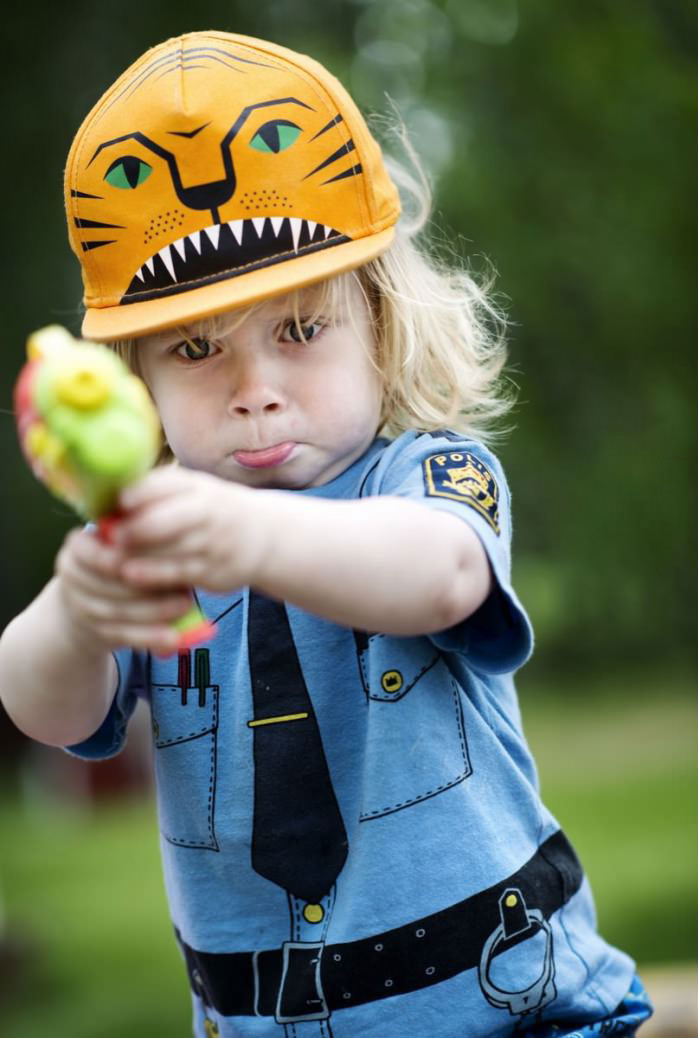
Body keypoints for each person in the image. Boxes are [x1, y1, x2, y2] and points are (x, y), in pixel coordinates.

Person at [0, 31, 652, 1038]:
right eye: (195, 348)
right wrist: (78, 608)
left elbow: (437, 577)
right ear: (140, 383)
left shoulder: (427, 474)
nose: (255, 392)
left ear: (381, 323)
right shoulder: (159, 542)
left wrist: (244, 534)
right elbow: (44, 707)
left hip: (512, 1009)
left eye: (299, 331)